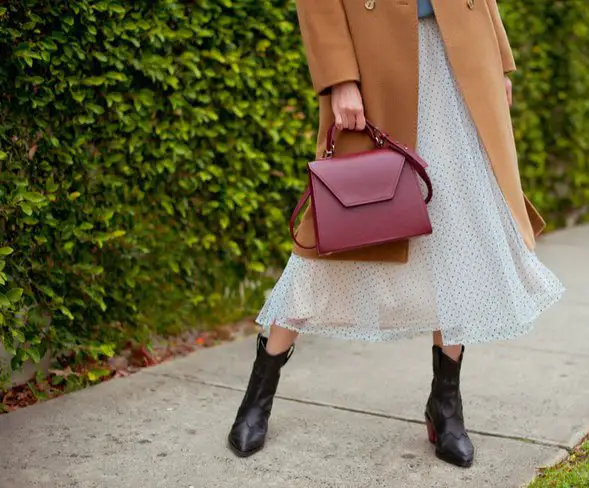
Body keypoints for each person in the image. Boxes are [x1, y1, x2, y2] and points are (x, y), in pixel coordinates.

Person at [227, 0, 564, 468]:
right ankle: (258, 394)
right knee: (338, 234)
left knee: (459, 227)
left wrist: (499, 59)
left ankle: (446, 406)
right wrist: (340, 76)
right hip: (376, 57)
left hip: (461, 54)